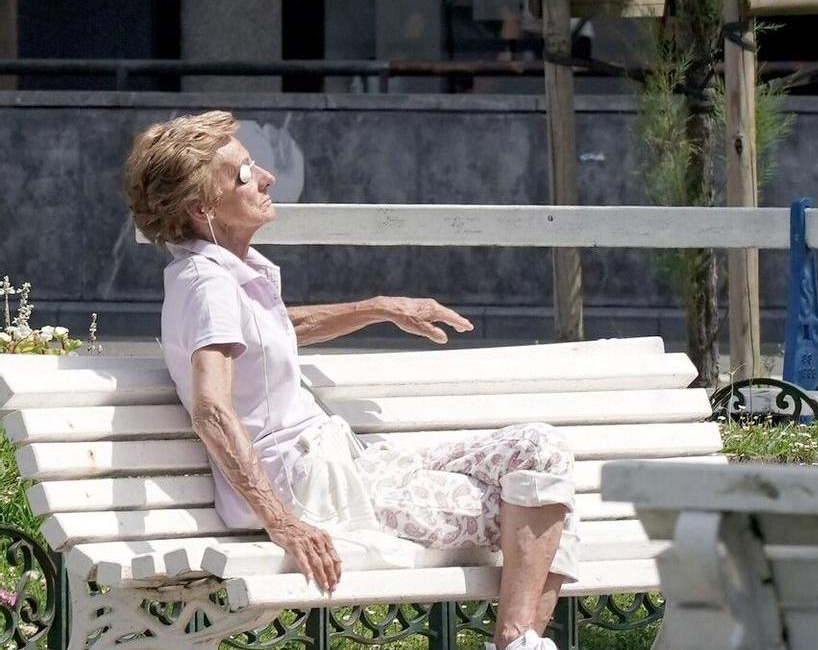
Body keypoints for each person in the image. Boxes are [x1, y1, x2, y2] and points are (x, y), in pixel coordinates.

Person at [123, 111, 576, 650]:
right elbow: (211, 409)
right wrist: (283, 524)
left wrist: (379, 308)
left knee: (539, 451)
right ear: (202, 209)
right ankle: (516, 641)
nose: (266, 177)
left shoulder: (219, 275)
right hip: (311, 488)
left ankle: (516, 641)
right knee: (540, 506)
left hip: (342, 463)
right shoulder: (208, 286)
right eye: (244, 174)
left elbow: (274, 331)